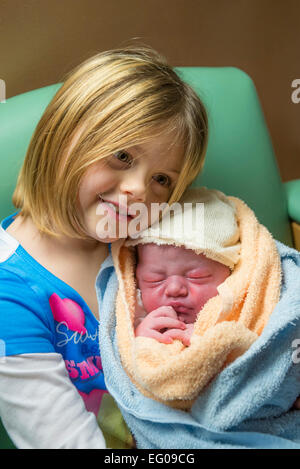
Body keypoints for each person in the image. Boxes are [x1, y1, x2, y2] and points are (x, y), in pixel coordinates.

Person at [0, 45, 209, 448]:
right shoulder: (10, 295)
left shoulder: (151, 242)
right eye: (122, 155)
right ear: (60, 136)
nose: (138, 189)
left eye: (162, 179)